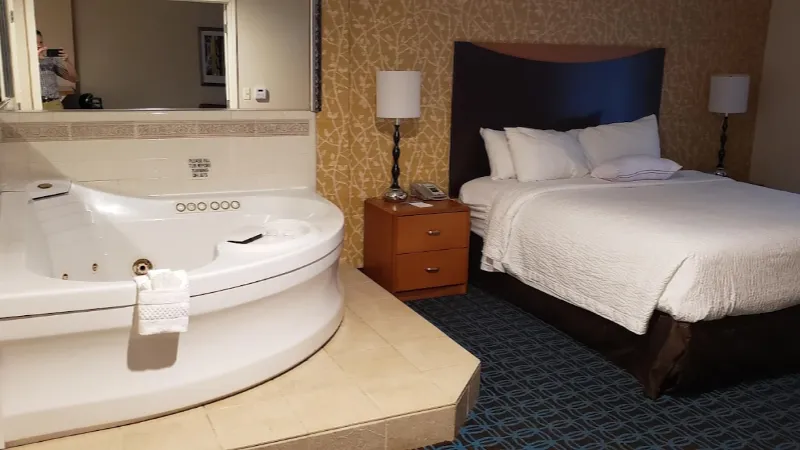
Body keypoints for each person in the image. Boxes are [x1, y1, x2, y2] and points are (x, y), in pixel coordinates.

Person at [37, 30, 78, 110]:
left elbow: (74, 79)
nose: (39, 45)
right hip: (34, 106)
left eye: (41, 42)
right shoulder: (24, 63)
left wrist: (67, 61)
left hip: (54, 104)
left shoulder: (51, 60)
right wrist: (35, 59)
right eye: (35, 43)